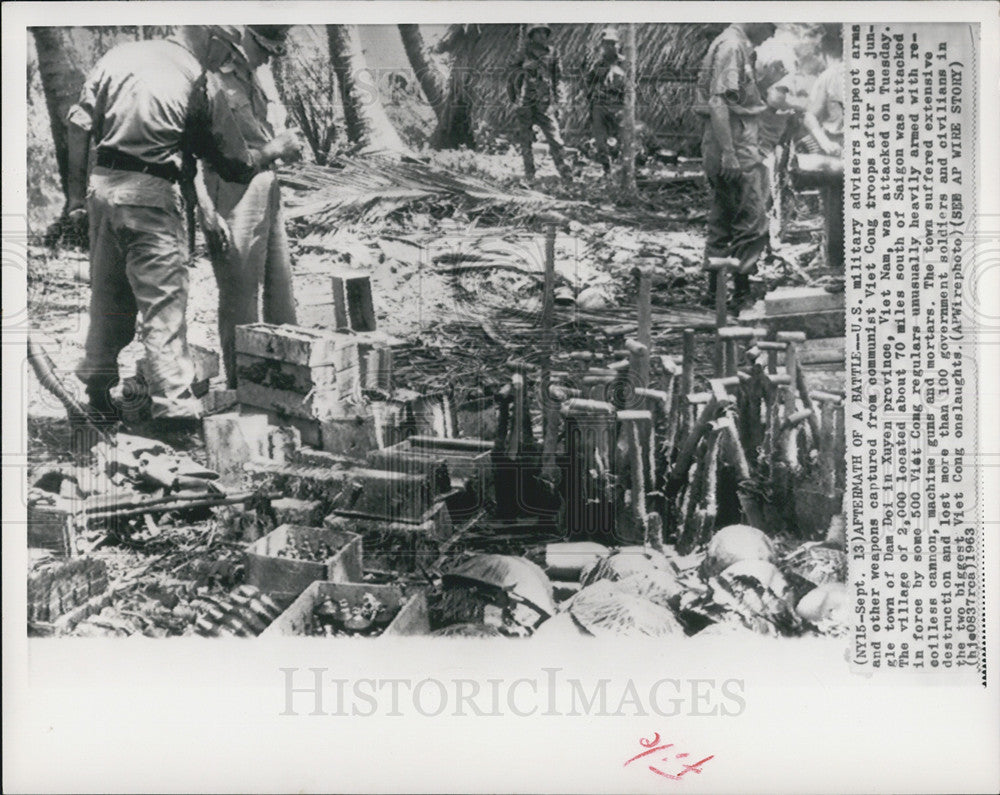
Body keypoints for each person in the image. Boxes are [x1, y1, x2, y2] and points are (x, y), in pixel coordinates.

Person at [65, 26, 301, 427]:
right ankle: (175, 418)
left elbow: (77, 124)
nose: (224, 59)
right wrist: (275, 150)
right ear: (209, 40)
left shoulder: (120, 56)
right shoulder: (198, 81)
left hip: (103, 190)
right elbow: (234, 165)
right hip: (153, 196)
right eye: (224, 50)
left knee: (108, 297)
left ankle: (97, 395)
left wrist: (74, 197)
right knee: (164, 310)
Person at [196, 25, 301, 389]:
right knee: (240, 298)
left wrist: (283, 145)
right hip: (231, 189)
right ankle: (244, 385)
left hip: (267, 183)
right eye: (265, 48)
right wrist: (205, 207)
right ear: (246, 40)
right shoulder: (210, 76)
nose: (270, 56)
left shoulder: (259, 77)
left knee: (280, 292)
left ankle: (286, 380)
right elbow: (195, 149)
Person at [694, 22, 776, 309]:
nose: (772, 34)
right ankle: (741, 294)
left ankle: (713, 293)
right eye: (770, 26)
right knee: (752, 221)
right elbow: (719, 101)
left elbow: (733, 95)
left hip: (725, 140)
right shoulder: (732, 46)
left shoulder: (729, 43)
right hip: (735, 142)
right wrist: (729, 152)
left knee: (724, 216)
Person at [507, 23, 572, 183]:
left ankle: (565, 172)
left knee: (555, 138)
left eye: (545, 33)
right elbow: (511, 77)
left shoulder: (552, 53)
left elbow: (558, 79)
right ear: (532, 35)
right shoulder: (522, 53)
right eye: (539, 33)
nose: (543, 36)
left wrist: (559, 101)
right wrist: (514, 99)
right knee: (526, 140)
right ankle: (530, 173)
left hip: (545, 103)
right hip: (525, 102)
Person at [585, 27, 627, 175]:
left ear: (618, 44)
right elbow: (588, 85)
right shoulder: (597, 65)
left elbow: (633, 87)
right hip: (600, 106)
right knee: (600, 141)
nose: (610, 47)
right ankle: (607, 170)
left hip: (618, 106)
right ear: (602, 46)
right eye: (607, 44)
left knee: (624, 140)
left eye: (613, 43)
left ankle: (624, 172)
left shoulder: (625, 64)